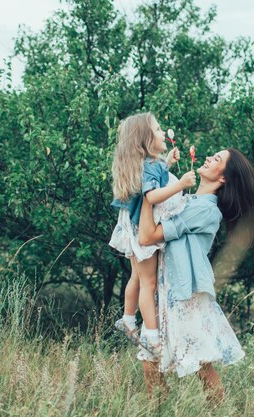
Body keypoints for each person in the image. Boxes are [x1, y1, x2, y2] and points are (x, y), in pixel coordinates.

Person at [137, 148, 254, 401]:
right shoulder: (187, 200)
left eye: (217, 159)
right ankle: (158, 409)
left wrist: (146, 197)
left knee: (201, 365)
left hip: (186, 295)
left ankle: (216, 410)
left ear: (224, 178)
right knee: (150, 361)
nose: (208, 158)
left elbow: (147, 236)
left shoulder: (205, 210)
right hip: (167, 291)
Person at [108, 112, 196, 354]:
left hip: (131, 224)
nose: (162, 132)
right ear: (146, 140)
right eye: (157, 129)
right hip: (141, 228)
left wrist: (167, 163)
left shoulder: (147, 164)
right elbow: (151, 195)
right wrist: (181, 184)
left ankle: (127, 319)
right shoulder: (149, 165)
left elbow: (154, 179)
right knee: (148, 283)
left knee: (137, 277)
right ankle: (152, 337)